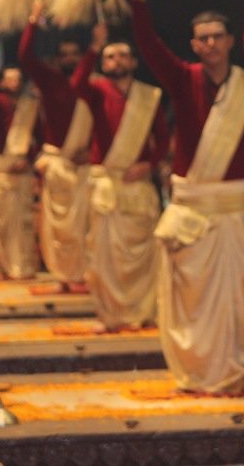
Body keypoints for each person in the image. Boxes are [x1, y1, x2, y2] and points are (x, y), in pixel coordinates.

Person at [124, 0, 244, 393]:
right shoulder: (181, 78)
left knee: (238, 300)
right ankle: (196, 372)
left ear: (231, 40)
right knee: (188, 302)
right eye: (202, 39)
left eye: (217, 36)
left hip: (234, 210)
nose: (210, 44)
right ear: (194, 46)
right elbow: (149, 43)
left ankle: (234, 371)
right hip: (190, 210)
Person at [74, 23, 168, 331]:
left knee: (142, 258)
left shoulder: (148, 96)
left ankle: (141, 312)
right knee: (104, 259)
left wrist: (149, 164)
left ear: (134, 62)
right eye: (110, 56)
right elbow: (76, 84)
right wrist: (92, 47)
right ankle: (111, 315)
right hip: (107, 187)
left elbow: (163, 139)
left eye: (123, 55)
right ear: (103, 63)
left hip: (137, 187)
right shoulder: (97, 91)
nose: (117, 61)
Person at [19, 2, 93, 292]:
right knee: (56, 227)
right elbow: (25, 56)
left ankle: (82, 275)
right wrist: (33, 21)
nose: (70, 59)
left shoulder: (92, 83)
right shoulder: (50, 81)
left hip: (83, 165)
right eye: (65, 55)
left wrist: (91, 152)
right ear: (58, 59)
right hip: (58, 165)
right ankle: (63, 276)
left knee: (83, 225)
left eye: (75, 55)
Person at [0, 65, 41, 279]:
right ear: (2, 83)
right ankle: (1, 265)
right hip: (1, 169)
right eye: (9, 80)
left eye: (17, 79)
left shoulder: (31, 106)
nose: (13, 83)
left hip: (21, 172)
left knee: (22, 224)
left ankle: (21, 266)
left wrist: (28, 161)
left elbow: (38, 137)